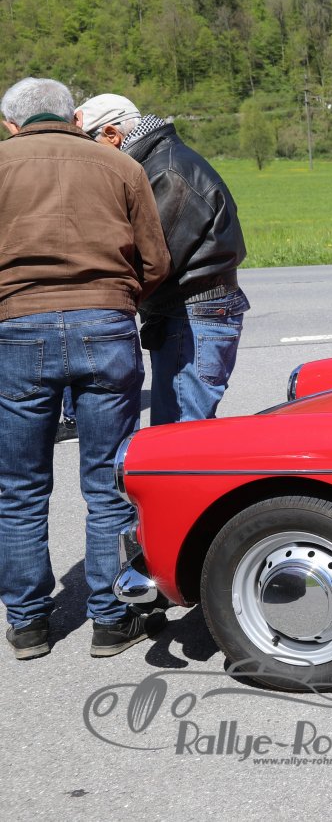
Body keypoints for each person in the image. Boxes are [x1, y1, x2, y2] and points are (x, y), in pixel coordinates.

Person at [0, 78, 170, 660]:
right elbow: (155, 260)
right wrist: (116, 300)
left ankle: (28, 622)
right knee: (108, 480)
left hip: (17, 328)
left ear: (11, 124)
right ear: (73, 116)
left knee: (20, 487)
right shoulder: (120, 166)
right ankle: (112, 618)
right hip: (105, 325)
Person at [76, 94, 250, 425]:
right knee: (177, 429)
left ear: (112, 134)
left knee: (180, 433)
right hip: (190, 311)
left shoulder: (167, 171)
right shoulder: (156, 162)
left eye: (89, 144)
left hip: (193, 313)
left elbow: (152, 258)